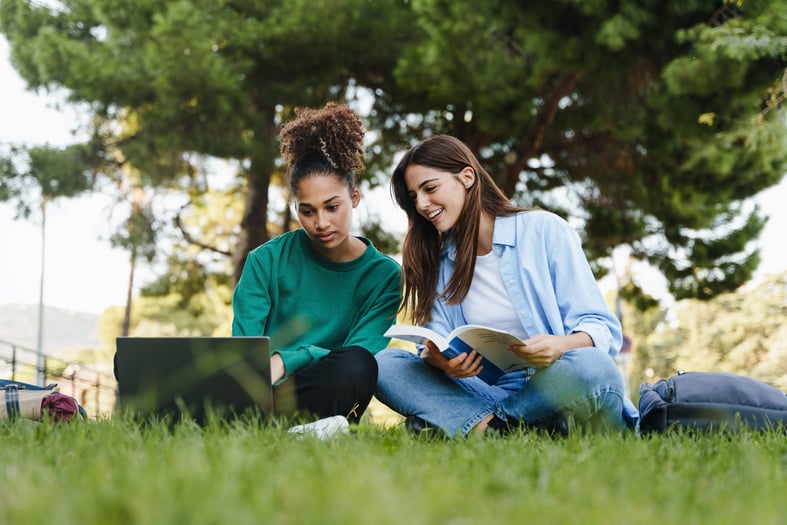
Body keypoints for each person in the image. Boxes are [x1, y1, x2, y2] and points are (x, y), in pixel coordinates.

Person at [375, 135, 638, 438]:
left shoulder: (545, 231)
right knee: (385, 365)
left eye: (430, 188)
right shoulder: (438, 262)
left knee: (594, 367)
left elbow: (602, 328)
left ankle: (485, 427)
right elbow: (432, 343)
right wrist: (440, 361)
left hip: (556, 383)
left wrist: (559, 345)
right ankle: (528, 428)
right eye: (414, 197)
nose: (421, 204)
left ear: (467, 177)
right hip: (485, 390)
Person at [232, 102, 402, 434]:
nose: (321, 223)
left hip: (330, 391)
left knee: (358, 366)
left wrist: (290, 358)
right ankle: (277, 428)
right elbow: (246, 351)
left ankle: (293, 429)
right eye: (307, 211)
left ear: (354, 198)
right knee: (135, 363)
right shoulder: (265, 261)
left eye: (332, 207)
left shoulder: (384, 276)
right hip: (261, 391)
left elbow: (360, 352)